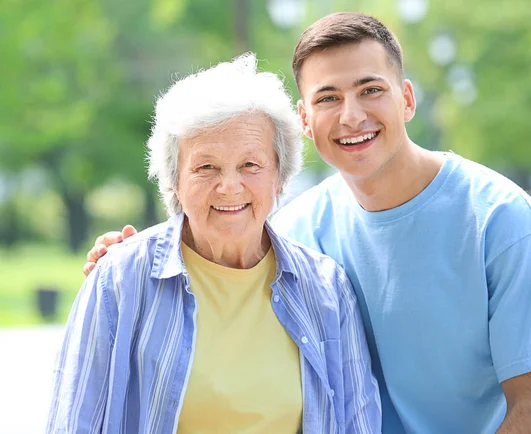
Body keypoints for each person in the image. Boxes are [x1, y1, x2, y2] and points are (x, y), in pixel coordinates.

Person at [84, 12, 531, 433]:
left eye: (371, 89)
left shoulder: (500, 220)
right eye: (328, 98)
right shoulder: (297, 231)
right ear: (305, 119)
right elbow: (214, 251)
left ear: (407, 99)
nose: (351, 116)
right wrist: (125, 259)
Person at [47, 53, 382, 434]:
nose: (229, 186)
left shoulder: (326, 288)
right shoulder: (120, 280)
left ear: (279, 177)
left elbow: (359, 423)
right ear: (175, 180)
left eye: (250, 165)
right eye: (206, 167)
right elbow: (74, 422)